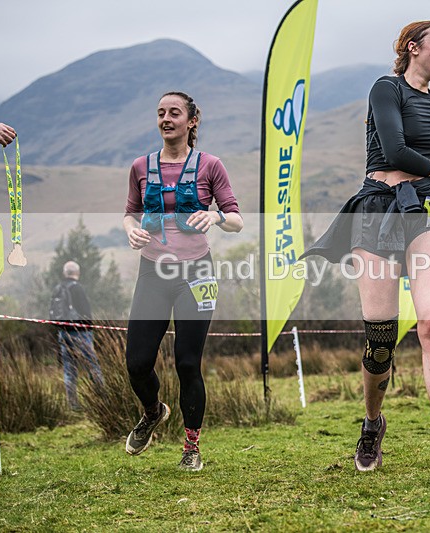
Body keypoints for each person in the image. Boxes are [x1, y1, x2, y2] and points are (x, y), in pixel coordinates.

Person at [302, 21, 430, 478]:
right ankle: (372, 424)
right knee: (381, 340)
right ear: (413, 47)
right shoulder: (386, 89)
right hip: (376, 208)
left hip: (426, 209)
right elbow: (394, 151)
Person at [122, 91, 243, 471]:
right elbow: (130, 213)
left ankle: (191, 447)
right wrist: (131, 230)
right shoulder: (140, 167)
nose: (166, 119)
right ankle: (152, 411)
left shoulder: (210, 165)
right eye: (160, 112)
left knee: (188, 363)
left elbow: (236, 219)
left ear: (191, 121)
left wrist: (216, 217)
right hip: (152, 272)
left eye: (174, 112)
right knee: (137, 362)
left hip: (197, 273)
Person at [52, 261, 105, 410]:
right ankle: (102, 399)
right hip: (80, 333)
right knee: (92, 365)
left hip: (63, 333)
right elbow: (85, 312)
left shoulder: (58, 288)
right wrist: (90, 328)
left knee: (69, 369)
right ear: (77, 273)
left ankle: (73, 404)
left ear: (65, 273)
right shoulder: (77, 288)